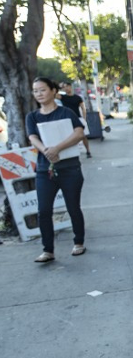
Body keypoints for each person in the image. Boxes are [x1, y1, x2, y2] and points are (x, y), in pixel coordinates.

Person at [26, 77, 87, 263]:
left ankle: (79, 242)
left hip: (70, 169)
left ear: (53, 91)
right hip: (45, 170)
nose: (39, 94)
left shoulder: (66, 112)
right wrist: (46, 150)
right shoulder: (32, 116)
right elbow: (32, 137)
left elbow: (79, 133)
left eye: (42, 90)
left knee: (73, 207)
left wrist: (57, 148)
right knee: (44, 210)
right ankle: (48, 250)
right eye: (35, 91)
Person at [58, 81, 92, 158]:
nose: (66, 88)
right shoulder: (62, 97)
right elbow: (53, 94)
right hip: (67, 120)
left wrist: (84, 118)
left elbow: (83, 108)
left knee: (83, 136)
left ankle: (88, 151)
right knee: (69, 137)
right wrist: (59, 86)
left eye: (67, 86)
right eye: (64, 87)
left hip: (78, 118)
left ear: (71, 87)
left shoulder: (77, 98)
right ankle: (71, 152)